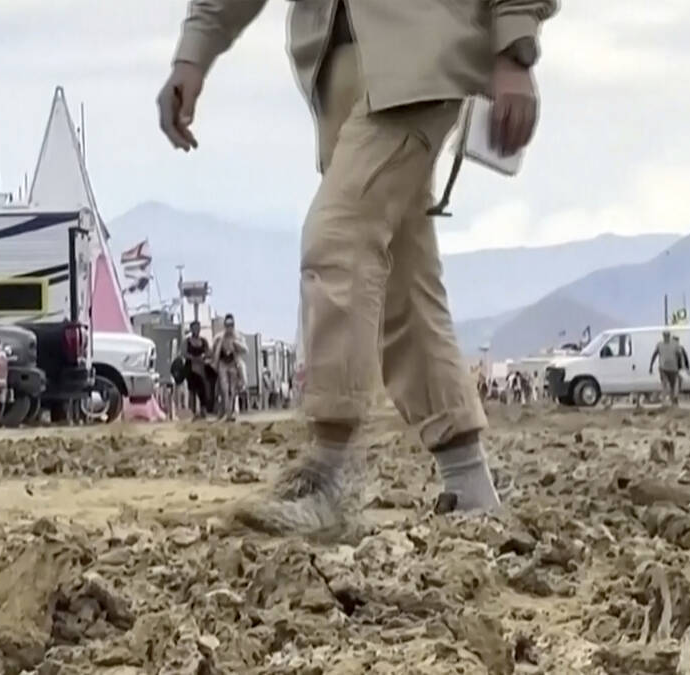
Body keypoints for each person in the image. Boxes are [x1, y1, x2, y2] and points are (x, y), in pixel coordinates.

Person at [159, 0, 557, 532]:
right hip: (337, 75)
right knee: (402, 282)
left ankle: (330, 476)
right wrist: (193, 53)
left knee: (338, 238)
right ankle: (471, 489)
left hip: (423, 56)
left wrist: (516, 49)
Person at [213, 314, 249, 421]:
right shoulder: (219, 337)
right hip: (223, 363)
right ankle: (226, 411)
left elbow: (246, 350)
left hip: (234, 363)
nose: (229, 327)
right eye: (227, 325)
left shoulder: (238, 336)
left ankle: (231, 412)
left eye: (231, 325)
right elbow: (214, 350)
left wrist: (236, 344)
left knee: (232, 390)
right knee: (224, 389)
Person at [183, 321, 213, 418]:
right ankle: (193, 412)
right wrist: (193, 358)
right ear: (191, 329)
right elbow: (183, 353)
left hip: (201, 368)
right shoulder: (187, 341)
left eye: (198, 328)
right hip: (190, 367)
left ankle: (203, 410)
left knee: (203, 389)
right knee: (192, 390)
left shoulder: (204, 341)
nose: (196, 330)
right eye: (194, 328)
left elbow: (209, 352)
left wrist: (203, 356)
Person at [649, 331, 684, 406]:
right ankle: (668, 400)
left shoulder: (673, 344)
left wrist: (681, 365)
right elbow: (654, 355)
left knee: (672, 384)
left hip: (672, 368)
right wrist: (651, 366)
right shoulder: (663, 344)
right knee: (667, 384)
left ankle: (672, 399)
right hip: (665, 368)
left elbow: (680, 355)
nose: (666, 337)